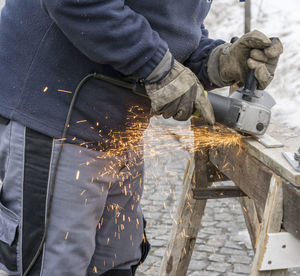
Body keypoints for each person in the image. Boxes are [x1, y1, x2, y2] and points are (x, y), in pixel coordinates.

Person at [0, 0, 282, 275]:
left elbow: (170, 29)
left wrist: (218, 61)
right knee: (57, 264)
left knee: (118, 261)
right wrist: (157, 67)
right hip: (58, 115)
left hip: (120, 131)